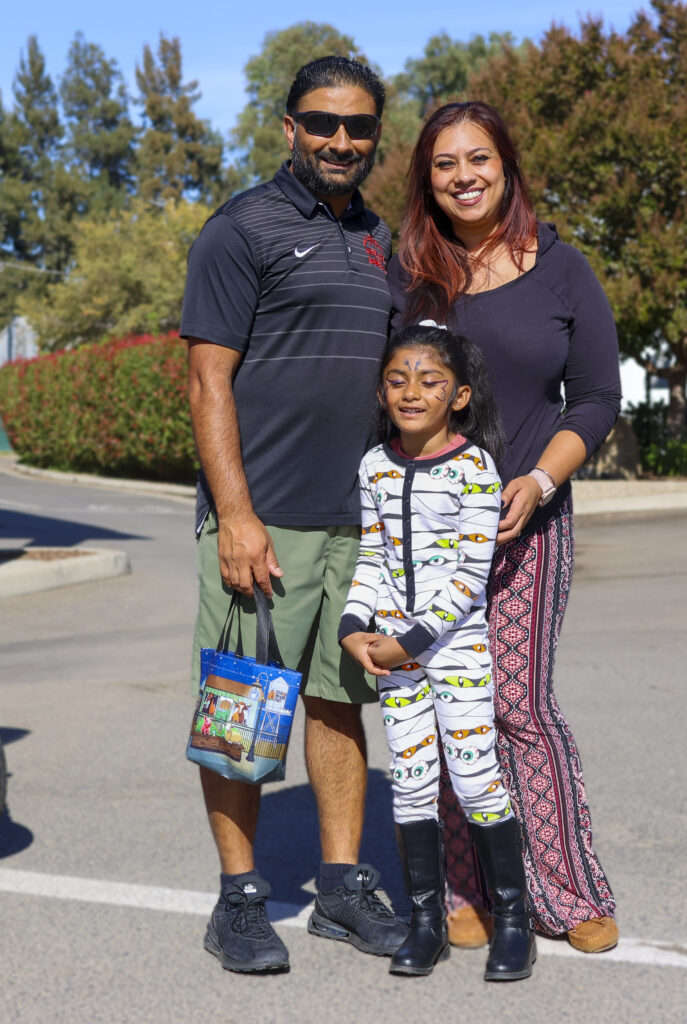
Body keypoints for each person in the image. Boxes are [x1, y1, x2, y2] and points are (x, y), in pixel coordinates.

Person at [181, 56, 407, 973]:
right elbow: (207, 379)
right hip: (261, 522)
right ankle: (238, 900)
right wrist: (236, 514)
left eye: (358, 128)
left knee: (339, 703)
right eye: (322, 123)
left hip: (355, 523)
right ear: (288, 128)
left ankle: (340, 889)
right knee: (243, 709)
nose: (340, 141)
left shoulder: (378, 239)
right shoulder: (241, 229)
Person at [388, 102, 621, 954]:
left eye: (478, 158)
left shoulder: (562, 270)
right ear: (427, 178)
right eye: (444, 163)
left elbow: (595, 396)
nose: (463, 176)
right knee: (449, 707)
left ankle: (570, 892)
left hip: (527, 519)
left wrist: (537, 479)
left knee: (519, 708)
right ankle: (466, 889)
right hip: (425, 530)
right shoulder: (409, 275)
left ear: (506, 165)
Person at [339, 324, 536, 981]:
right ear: (379, 391)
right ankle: (426, 922)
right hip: (396, 658)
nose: (411, 392)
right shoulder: (373, 465)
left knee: (476, 779)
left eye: (428, 382)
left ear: (458, 395)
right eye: (397, 381)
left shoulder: (475, 468)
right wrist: (352, 626)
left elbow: (467, 579)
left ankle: (512, 919)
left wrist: (408, 642)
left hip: (452, 655)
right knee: (413, 787)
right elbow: (371, 557)